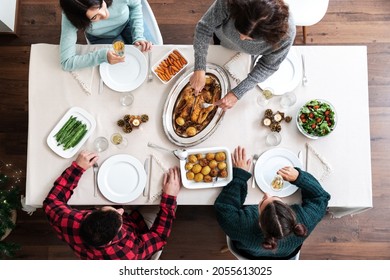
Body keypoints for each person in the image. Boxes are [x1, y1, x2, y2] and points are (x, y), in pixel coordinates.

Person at [43, 150, 181, 260]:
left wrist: (77, 168)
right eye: (120, 215)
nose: (121, 209)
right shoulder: (130, 255)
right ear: (111, 239)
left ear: (91, 213)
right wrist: (169, 197)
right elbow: (159, 237)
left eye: (111, 210)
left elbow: (51, 202)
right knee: (171, 203)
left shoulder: (68, 221)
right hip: (140, 229)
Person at [214, 146, 330, 259]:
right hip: (285, 255)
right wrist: (299, 177)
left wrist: (239, 175)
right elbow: (321, 198)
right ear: (289, 210)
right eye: (275, 198)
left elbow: (224, 206)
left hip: (248, 252)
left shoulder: (238, 226)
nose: (267, 194)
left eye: (263, 201)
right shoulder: (305, 222)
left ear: (259, 220)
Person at [190, 0, 296, 111]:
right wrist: (200, 67)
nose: (241, 38)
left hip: (249, 55)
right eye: (238, 31)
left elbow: (267, 66)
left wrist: (238, 93)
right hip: (221, 39)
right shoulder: (229, 2)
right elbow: (204, 28)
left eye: (248, 38)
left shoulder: (286, 36)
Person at [59, 0, 152, 71]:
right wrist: (101, 56)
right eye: (94, 17)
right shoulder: (71, 16)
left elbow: (135, 6)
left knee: (150, 55)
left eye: (100, 6)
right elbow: (66, 62)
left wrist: (138, 35)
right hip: (101, 37)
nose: (105, 15)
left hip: (128, 24)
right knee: (121, 69)